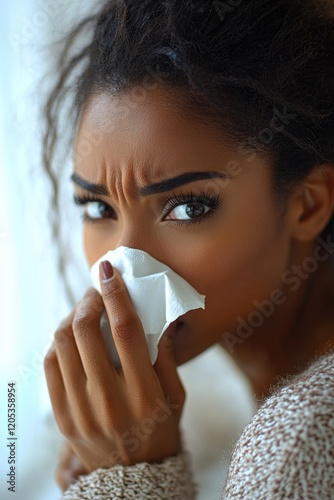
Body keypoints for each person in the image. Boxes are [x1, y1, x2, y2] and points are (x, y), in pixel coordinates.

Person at [41, 0, 334, 497]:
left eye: (189, 208)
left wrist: (131, 481)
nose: (126, 267)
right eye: (98, 209)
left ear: (307, 205)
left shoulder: (297, 442)